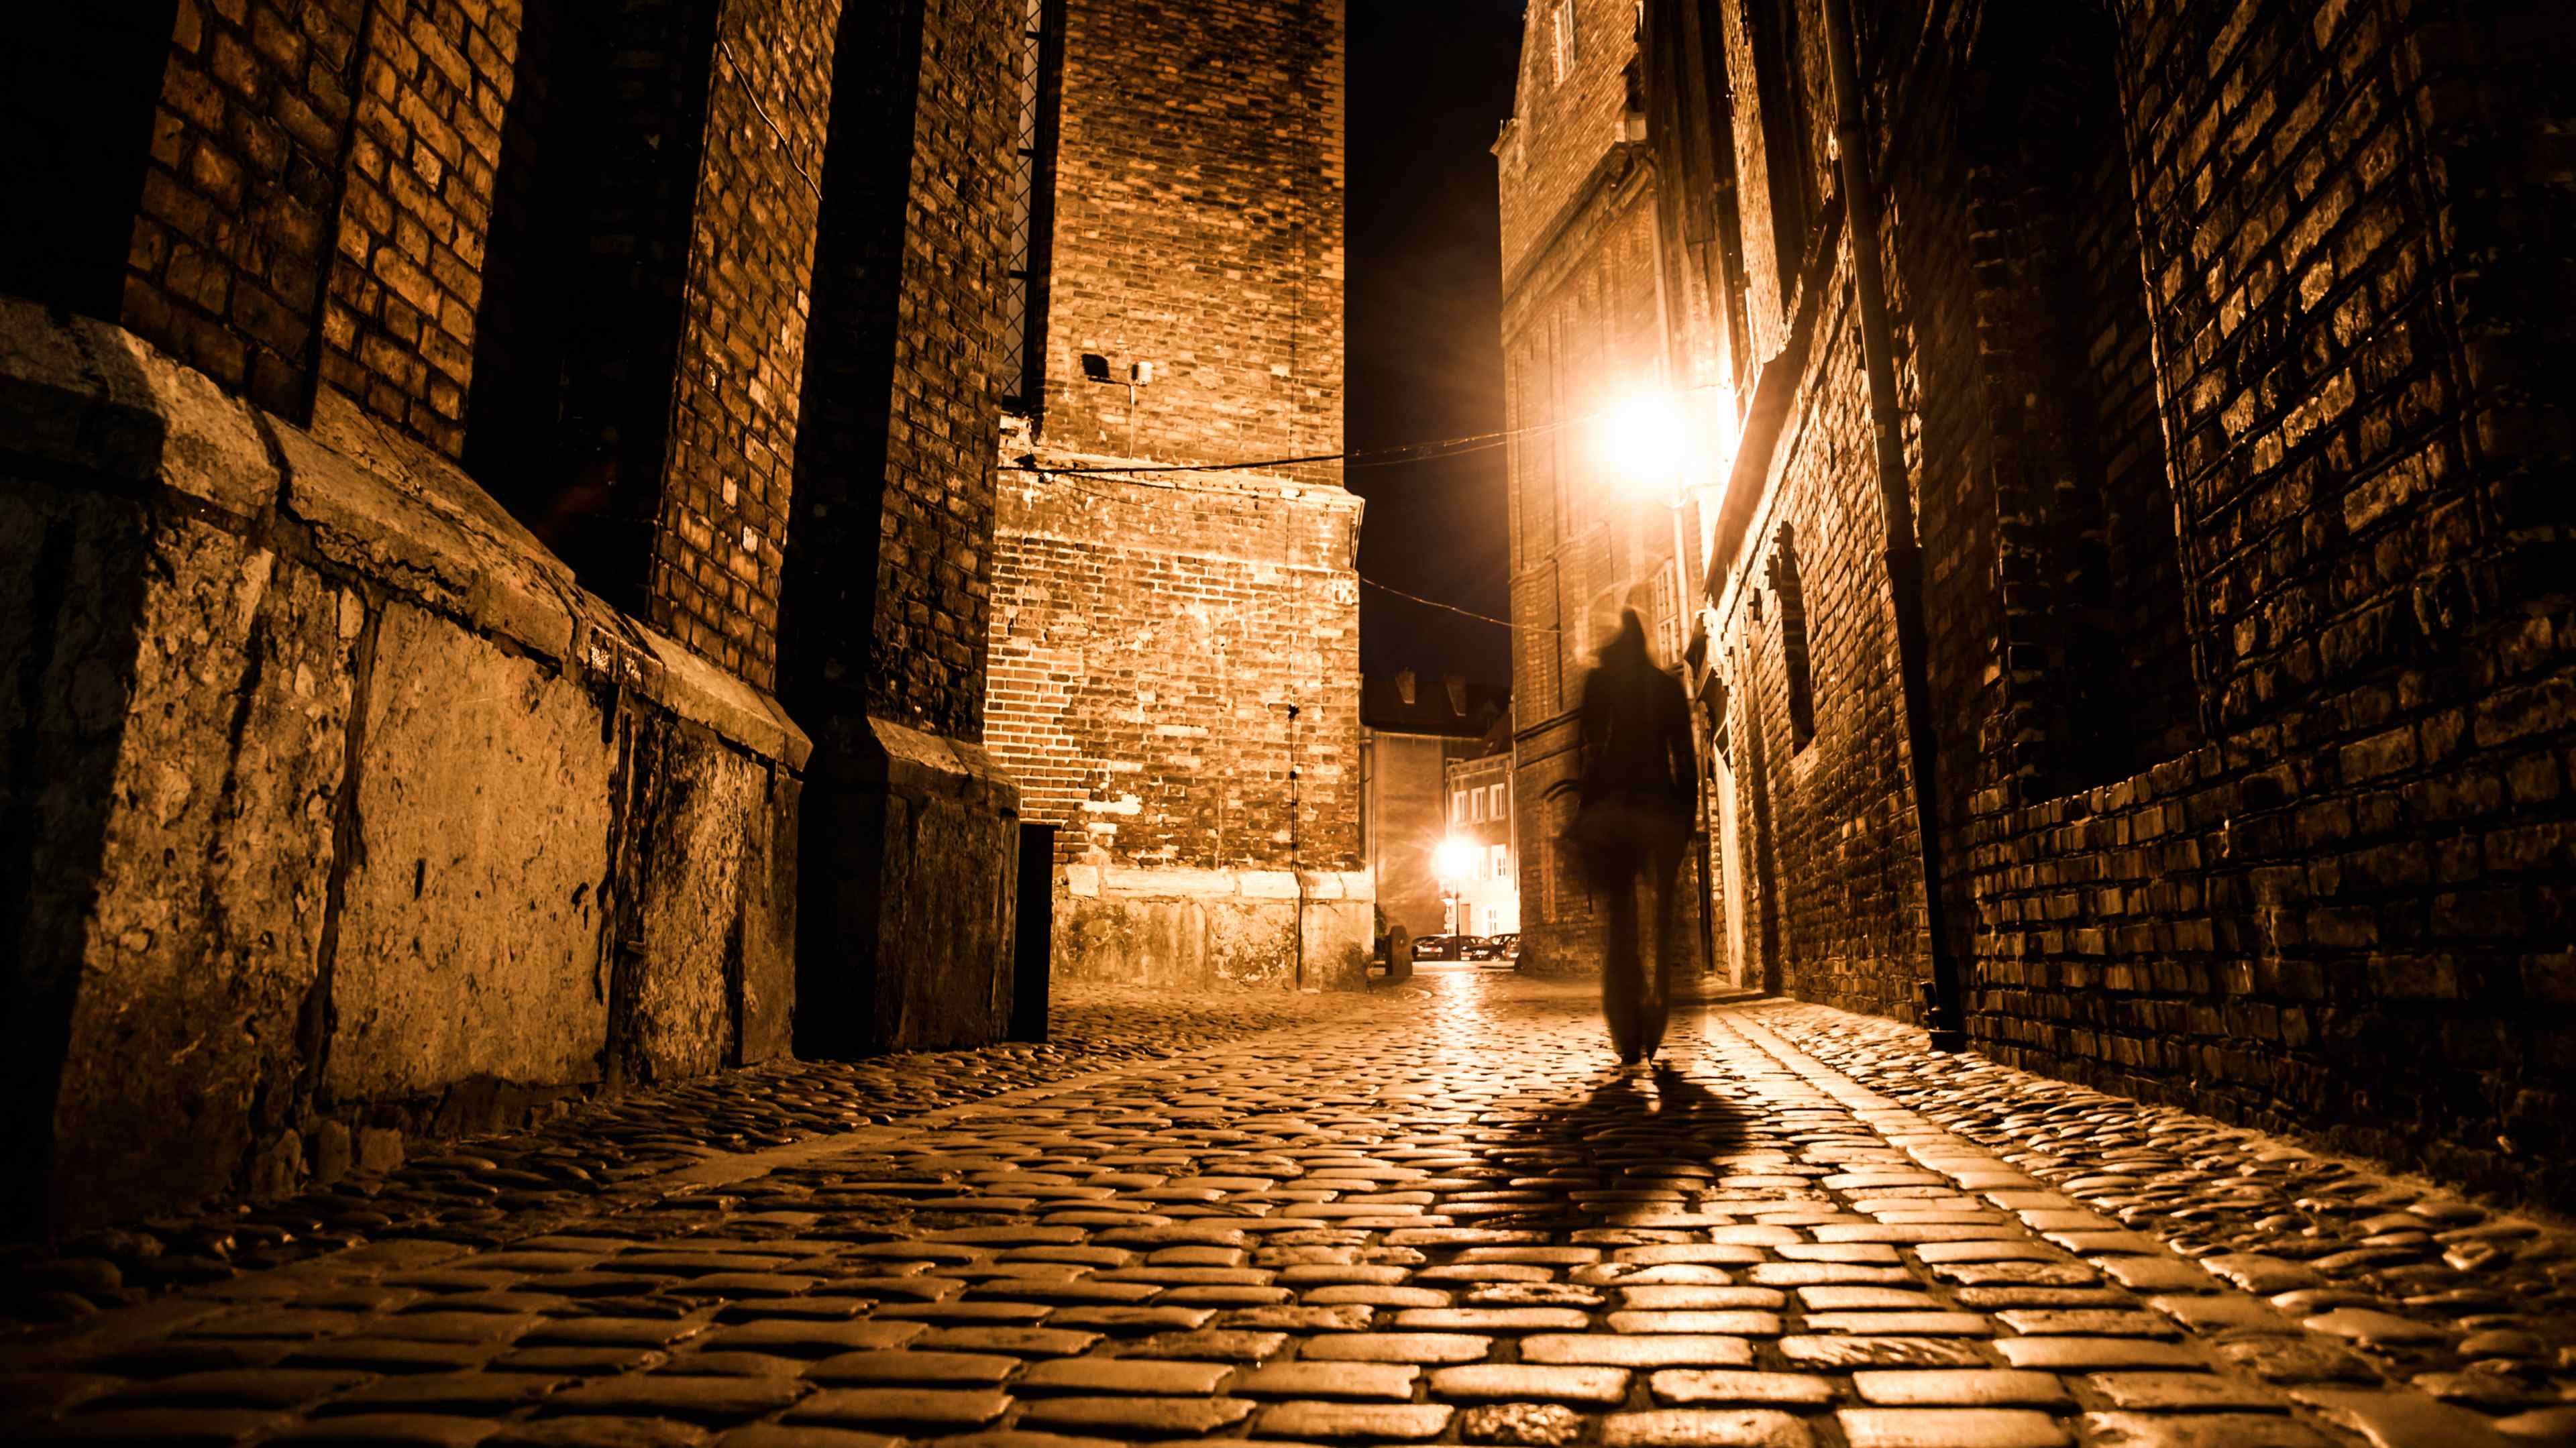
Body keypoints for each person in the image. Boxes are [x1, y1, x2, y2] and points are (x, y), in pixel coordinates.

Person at [1561, 609, 1697, 1065]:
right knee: (1661, 919)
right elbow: (1686, 763)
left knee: (1622, 918)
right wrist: (1687, 821)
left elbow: (1585, 752)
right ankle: (1658, 1005)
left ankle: (1626, 1017)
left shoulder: (1600, 685)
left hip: (1616, 812)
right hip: (1659, 810)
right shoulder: (1666, 687)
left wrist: (1582, 811)